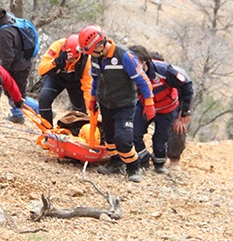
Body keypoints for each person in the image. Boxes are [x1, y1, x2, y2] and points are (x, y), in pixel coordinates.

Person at [78, 25, 154, 182]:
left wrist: (149, 103)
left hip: (124, 104)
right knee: (109, 138)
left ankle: (134, 167)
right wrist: (93, 99)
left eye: (90, 51)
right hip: (106, 103)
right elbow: (96, 79)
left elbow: (143, 80)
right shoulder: (96, 57)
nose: (89, 55)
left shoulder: (124, 56)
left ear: (100, 45)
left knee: (123, 139)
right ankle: (116, 162)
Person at [128, 45, 194, 174]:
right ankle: (143, 159)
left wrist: (184, 112)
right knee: (133, 131)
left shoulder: (167, 72)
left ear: (145, 61)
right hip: (145, 105)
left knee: (167, 135)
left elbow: (187, 87)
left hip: (169, 107)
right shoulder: (129, 73)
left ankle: (167, 161)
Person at [0, 3, 38, 123]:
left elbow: (8, 56)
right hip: (23, 62)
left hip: (17, 67)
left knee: (17, 95)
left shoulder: (4, 33)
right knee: (14, 93)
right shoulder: (9, 19)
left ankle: (40, 109)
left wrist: (2, 71)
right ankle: (17, 114)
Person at [150, 51, 193, 171]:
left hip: (174, 104)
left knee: (179, 127)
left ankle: (174, 159)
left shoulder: (173, 75)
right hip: (148, 103)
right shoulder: (141, 72)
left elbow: (186, 96)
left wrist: (181, 116)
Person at [37, 34, 92, 125]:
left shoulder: (86, 61)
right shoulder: (57, 46)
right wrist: (56, 62)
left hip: (75, 82)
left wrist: (88, 111)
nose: (69, 61)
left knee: (81, 111)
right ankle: (47, 131)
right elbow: (41, 69)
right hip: (56, 78)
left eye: (72, 59)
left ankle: (79, 134)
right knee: (44, 99)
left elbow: (88, 87)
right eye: (68, 59)